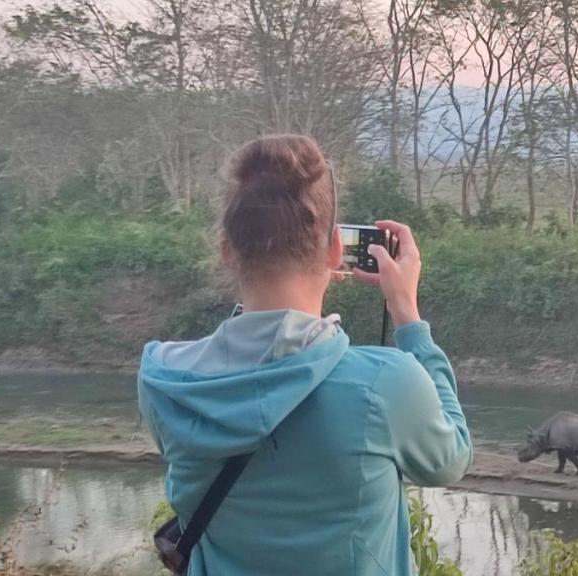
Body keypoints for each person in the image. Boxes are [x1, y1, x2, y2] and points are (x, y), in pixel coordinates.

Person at [138, 134, 472, 575]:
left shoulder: (164, 379)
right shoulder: (384, 384)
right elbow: (451, 458)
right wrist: (407, 315)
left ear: (225, 249)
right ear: (336, 250)